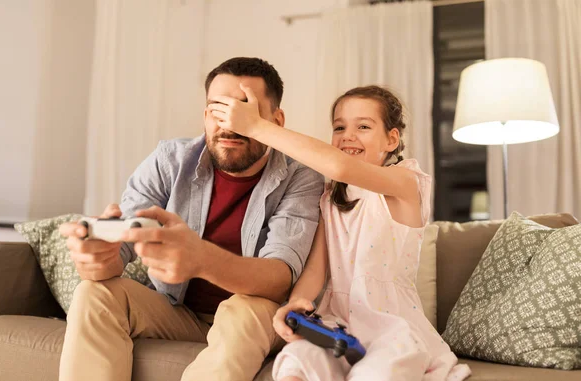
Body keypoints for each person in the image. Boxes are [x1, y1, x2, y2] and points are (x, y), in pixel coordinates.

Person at [57, 57, 324, 381]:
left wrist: (201, 259)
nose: (228, 124)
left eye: (245, 111)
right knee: (94, 293)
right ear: (205, 114)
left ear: (276, 121)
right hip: (177, 311)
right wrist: (98, 258)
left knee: (242, 310)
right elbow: (119, 253)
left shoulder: (302, 177)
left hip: (255, 314)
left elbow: (280, 277)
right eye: (217, 109)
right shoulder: (170, 160)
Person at [208, 84, 472, 380]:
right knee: (297, 362)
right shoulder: (330, 198)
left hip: (392, 325)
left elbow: (340, 167)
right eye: (339, 127)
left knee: (380, 370)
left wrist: (257, 127)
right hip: (337, 325)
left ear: (391, 139)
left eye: (363, 126)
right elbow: (316, 270)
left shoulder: (406, 182)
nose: (348, 135)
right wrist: (295, 306)